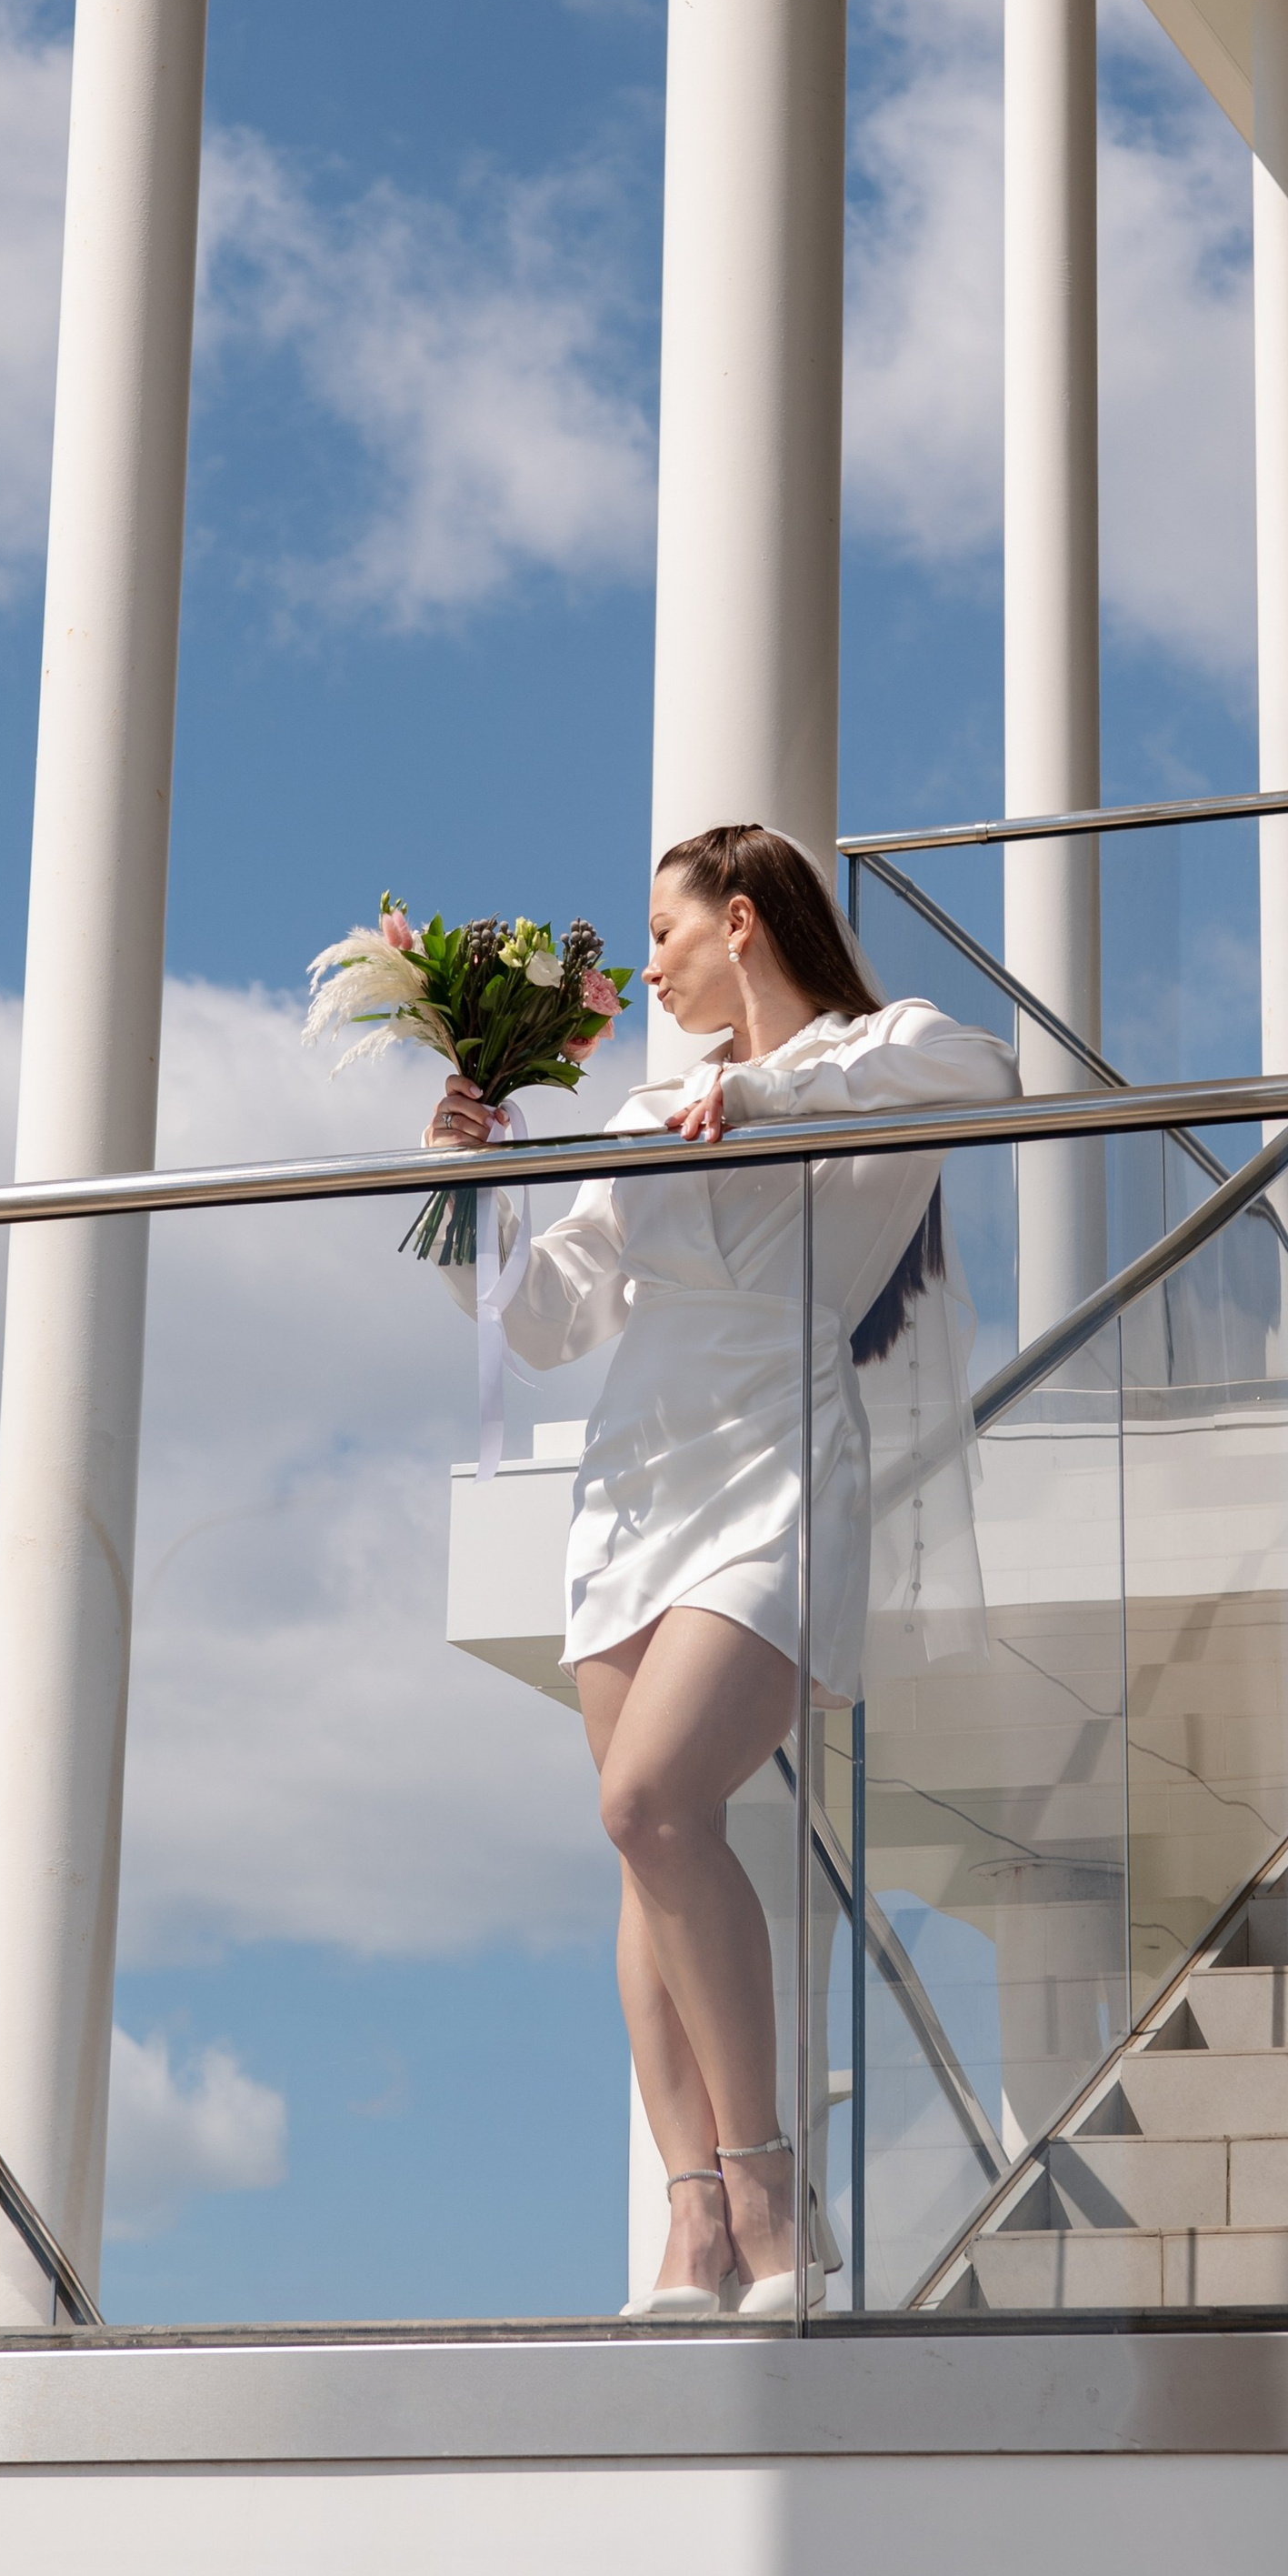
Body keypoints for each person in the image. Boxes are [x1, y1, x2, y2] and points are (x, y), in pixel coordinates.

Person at [426, 823, 1018, 2318]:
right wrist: (468, 1201)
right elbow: (557, 1319)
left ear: (741, 921)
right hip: (632, 1481)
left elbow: (991, 1080)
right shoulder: (641, 1107)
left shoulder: (888, 1052)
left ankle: (767, 2193)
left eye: (664, 932)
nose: (645, 963)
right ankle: (694, 2222)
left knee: (655, 1801)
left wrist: (752, 1088)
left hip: (778, 1461)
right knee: (641, 1844)